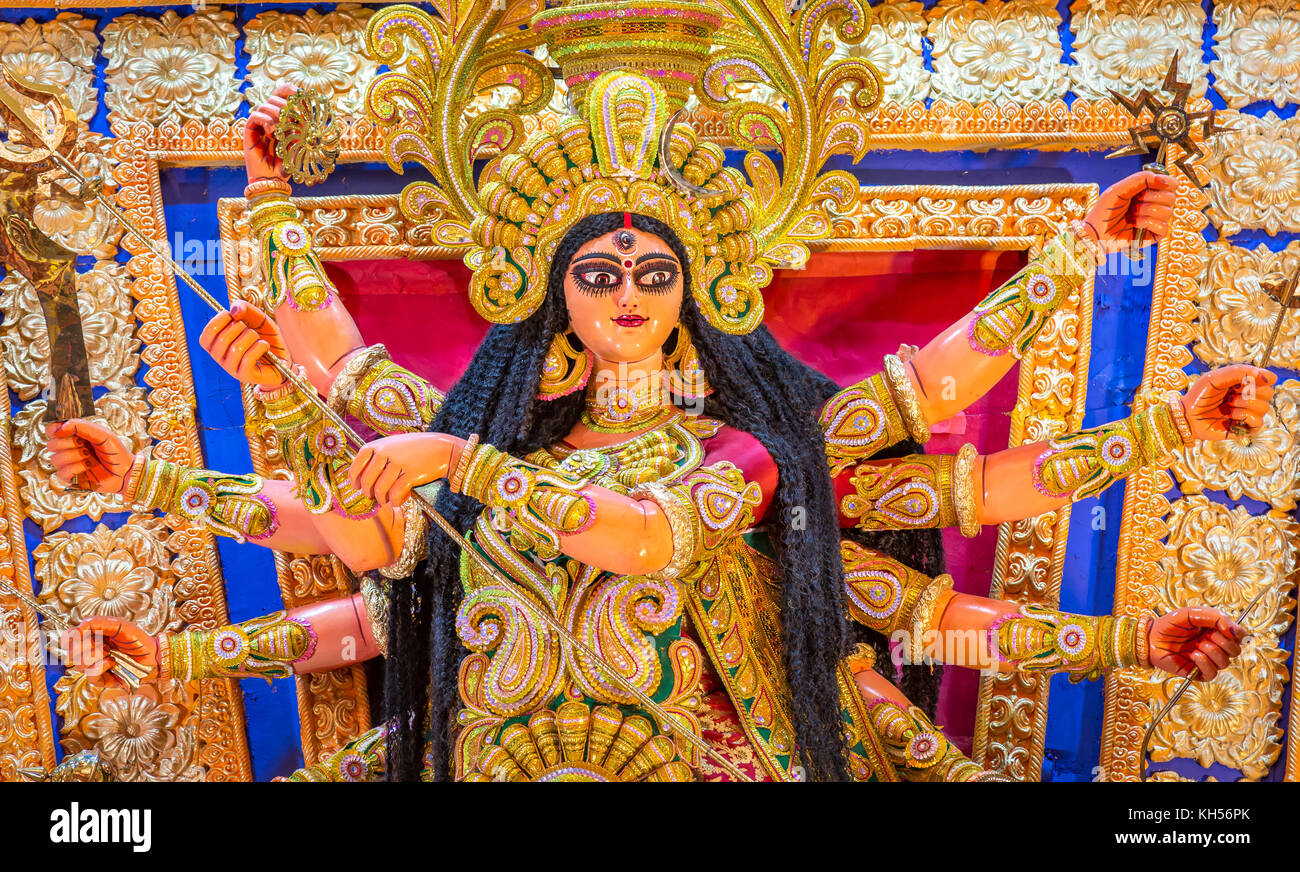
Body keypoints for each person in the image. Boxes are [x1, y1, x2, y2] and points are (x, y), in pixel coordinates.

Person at [51, 4, 1266, 781]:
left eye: (651, 271)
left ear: (693, 291)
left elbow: (660, 536)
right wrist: (178, 609)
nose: (627, 290)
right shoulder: (472, 433)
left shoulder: (748, 448)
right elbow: (356, 531)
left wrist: (1079, 255)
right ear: (553, 291)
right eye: (599, 271)